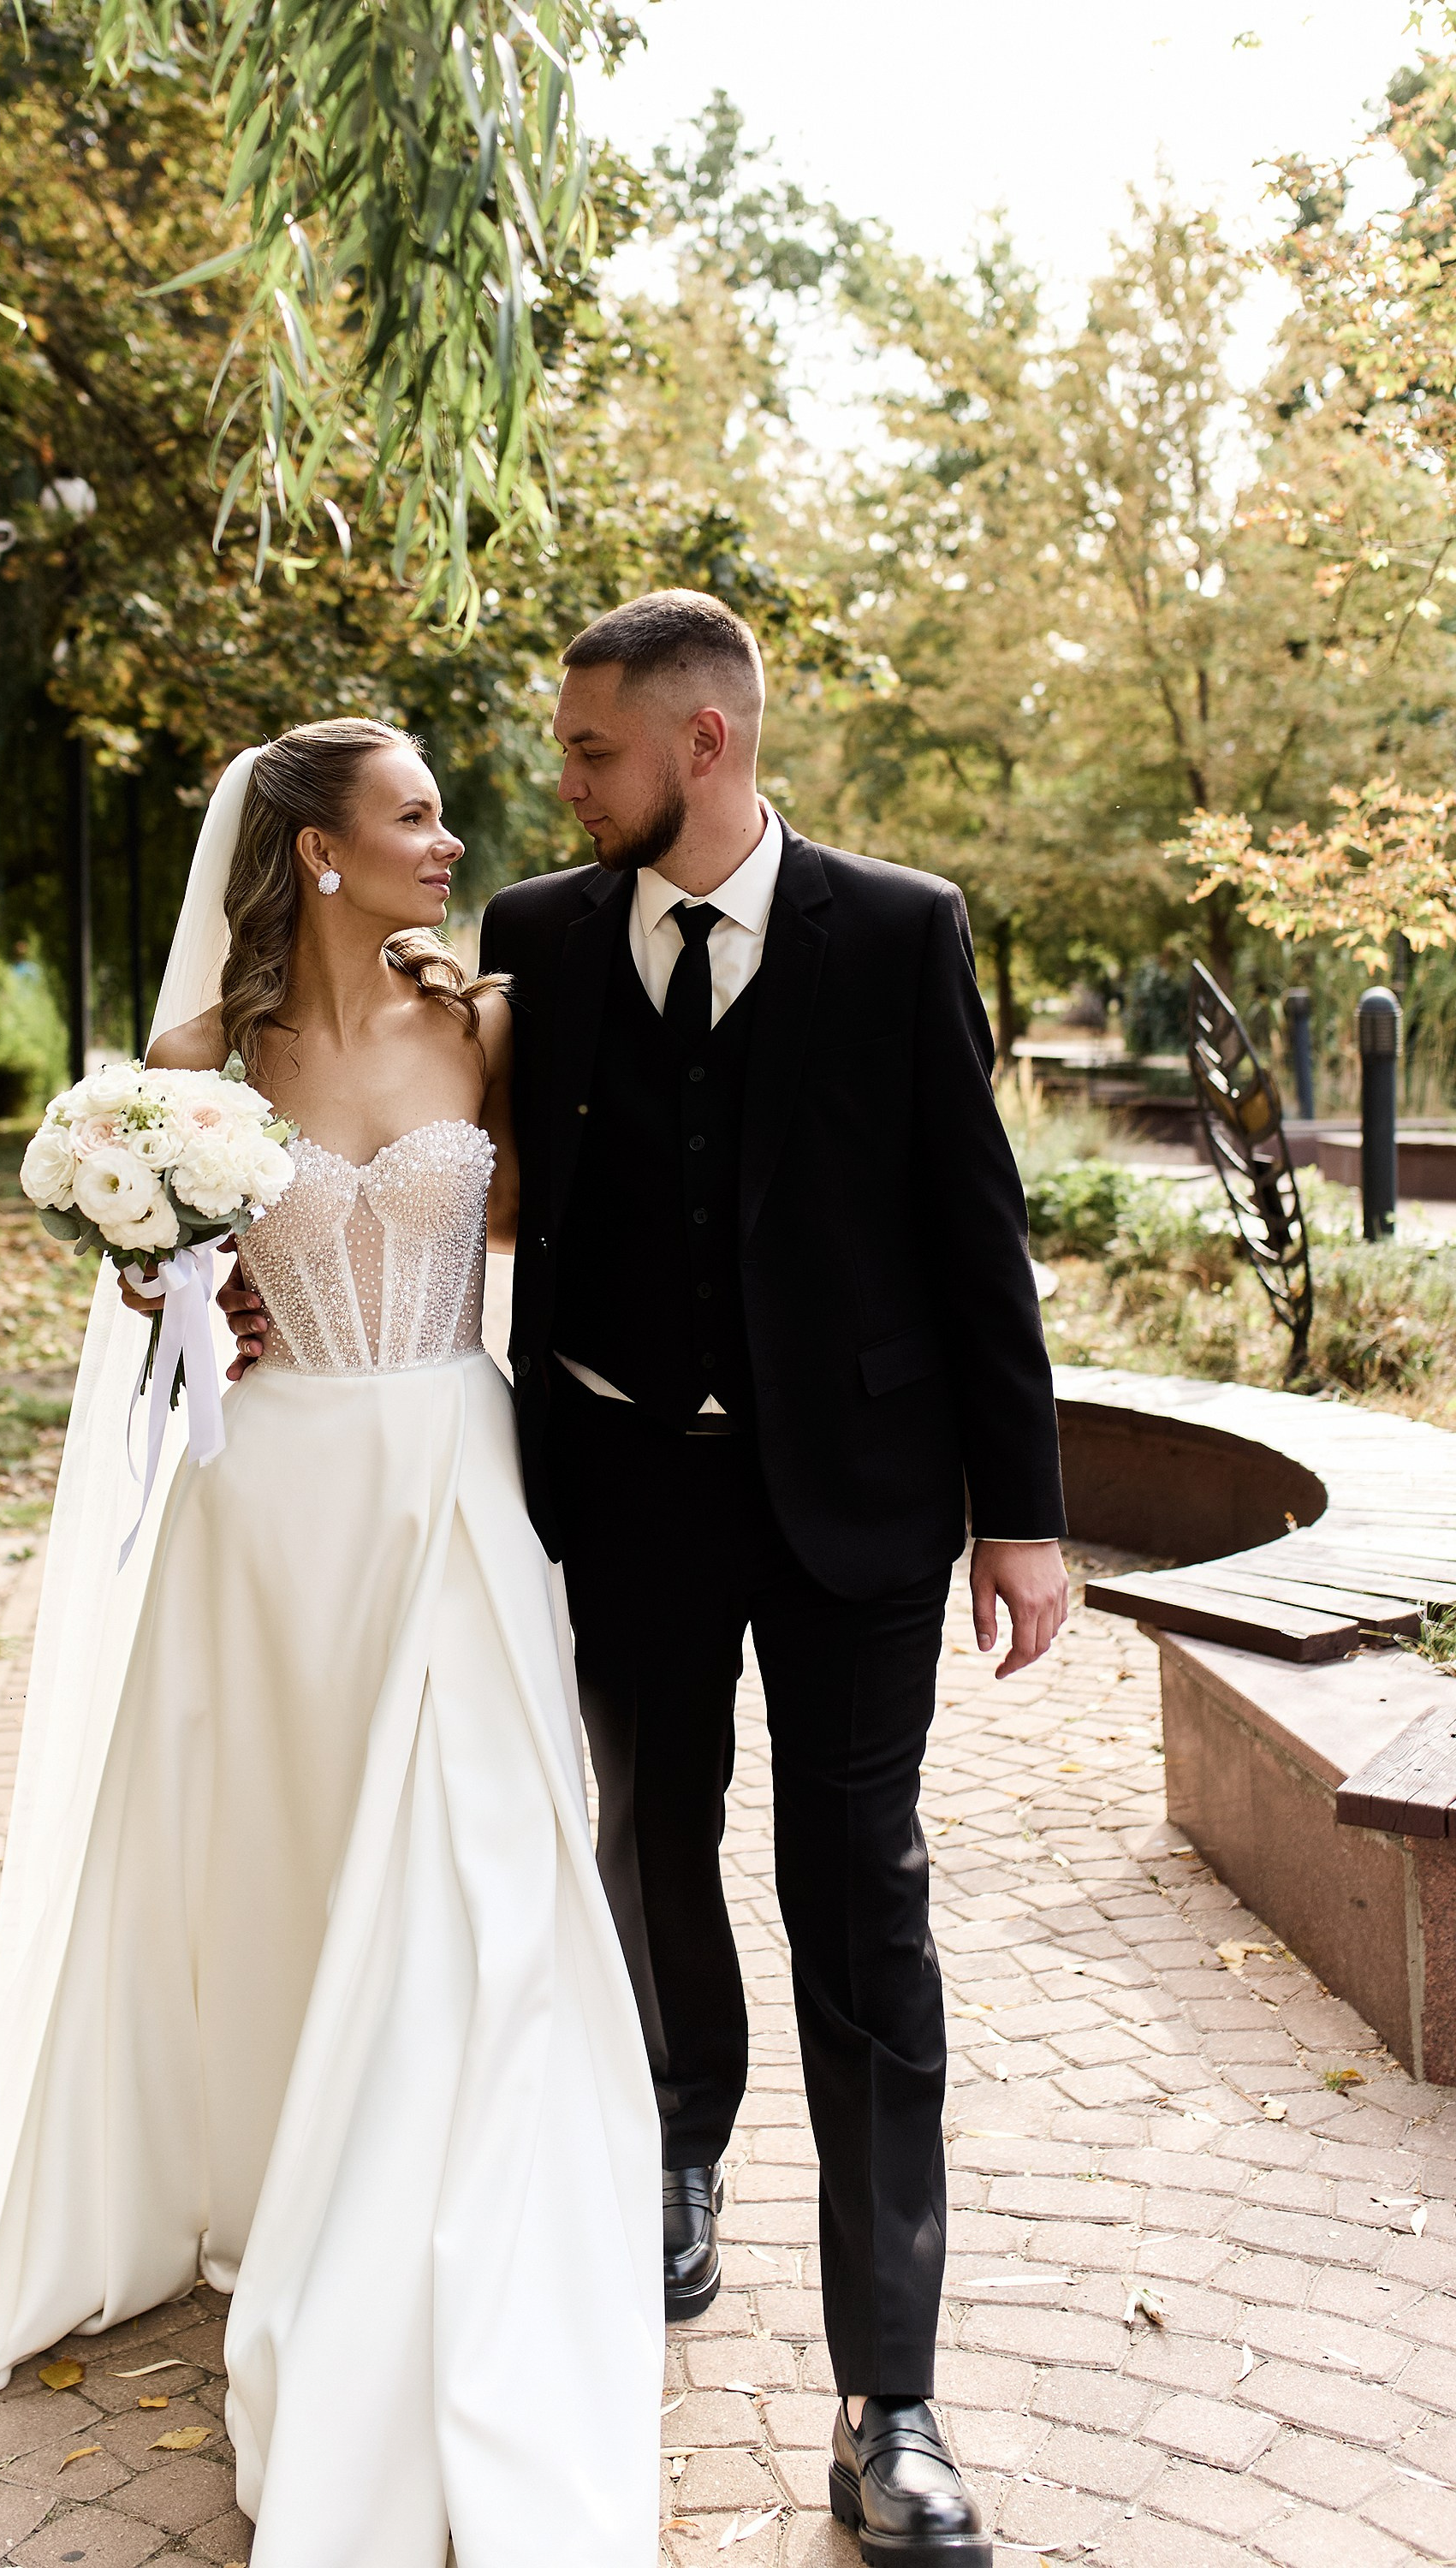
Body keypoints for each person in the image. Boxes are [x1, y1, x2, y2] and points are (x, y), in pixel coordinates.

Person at [221, 593, 1069, 2568]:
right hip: (618, 1493)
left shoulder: (902, 930)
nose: (562, 785)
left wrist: (1021, 1516)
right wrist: (226, 1280)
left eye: (591, 752)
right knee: (647, 1845)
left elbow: (977, 1233)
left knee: (861, 1907)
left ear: (704, 744)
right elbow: (412, 1158)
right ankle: (679, 2145)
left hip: (860, 1508)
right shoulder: (530, 939)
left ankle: (890, 2401)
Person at [0, 721, 663, 2568]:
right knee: (275, 1843)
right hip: (273, 1507)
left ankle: (441, 2184)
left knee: (473, 1851)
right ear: (315, 850)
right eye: (414, 816)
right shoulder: (200, 1066)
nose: (448, 842)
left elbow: (530, 1223)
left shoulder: (488, 1023)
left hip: (449, 1478)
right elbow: (154, 1277)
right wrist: (175, 1286)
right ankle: (260, 2147)